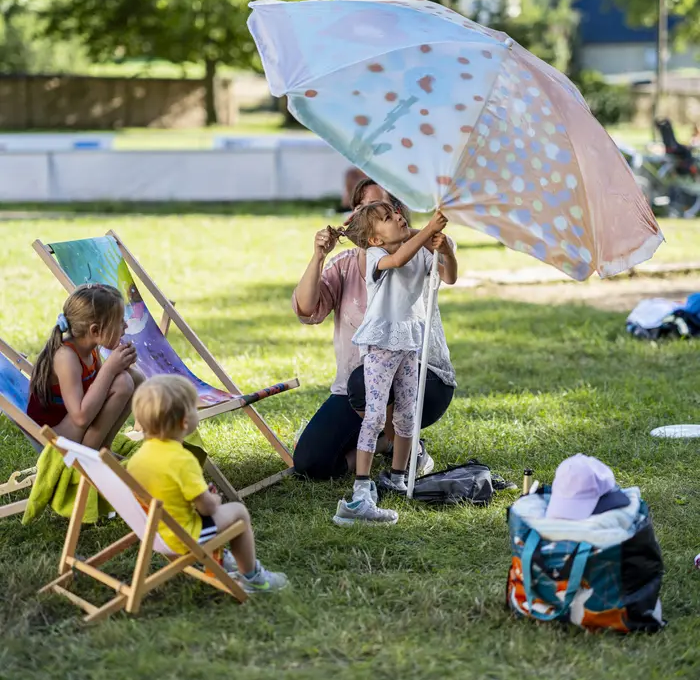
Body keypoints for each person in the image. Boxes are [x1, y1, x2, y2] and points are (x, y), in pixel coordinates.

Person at [292, 179, 457, 481]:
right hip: (359, 386)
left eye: (386, 208)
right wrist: (319, 256)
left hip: (421, 376)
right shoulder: (348, 264)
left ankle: (404, 448)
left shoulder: (418, 254)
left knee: (363, 383)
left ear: (400, 212)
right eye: (364, 209)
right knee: (310, 463)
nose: (376, 214)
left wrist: (434, 236)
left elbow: (439, 271)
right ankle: (380, 442)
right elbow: (306, 308)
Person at [328, 201, 458, 526]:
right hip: (382, 345)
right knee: (374, 415)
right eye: (388, 218)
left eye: (396, 213)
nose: (398, 217)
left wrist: (447, 249)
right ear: (374, 240)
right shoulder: (376, 256)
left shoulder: (422, 250)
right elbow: (398, 258)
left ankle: (397, 477)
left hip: (410, 341)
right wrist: (428, 229)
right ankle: (360, 491)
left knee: (406, 414)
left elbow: (450, 276)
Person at [127, 375, 288, 593]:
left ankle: (224, 559)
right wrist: (214, 498)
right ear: (185, 421)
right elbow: (207, 508)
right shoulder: (181, 459)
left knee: (218, 513)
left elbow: (167, 494)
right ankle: (253, 577)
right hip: (184, 537)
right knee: (238, 511)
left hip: (156, 533)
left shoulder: (137, 459)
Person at [27, 284, 139, 450]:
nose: (125, 326)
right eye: (119, 321)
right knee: (123, 382)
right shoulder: (66, 357)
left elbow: (100, 388)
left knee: (136, 378)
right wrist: (110, 368)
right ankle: (88, 460)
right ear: (95, 331)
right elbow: (80, 417)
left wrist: (119, 366)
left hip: (72, 426)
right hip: (55, 436)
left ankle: (103, 449)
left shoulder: (89, 349)